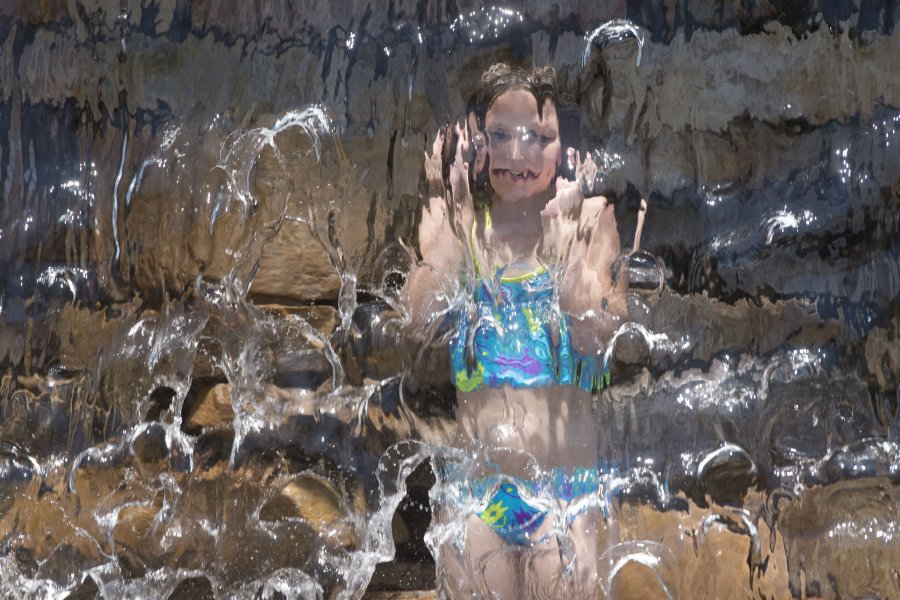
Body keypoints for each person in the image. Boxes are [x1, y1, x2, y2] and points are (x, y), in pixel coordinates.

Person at [406, 63, 646, 598]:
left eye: (540, 138)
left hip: (565, 493)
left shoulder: (591, 218)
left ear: (568, 148)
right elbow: (418, 325)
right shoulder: (458, 220)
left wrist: (564, 267)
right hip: (479, 492)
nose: (518, 154)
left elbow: (596, 336)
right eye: (500, 137)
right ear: (475, 142)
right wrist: (450, 241)